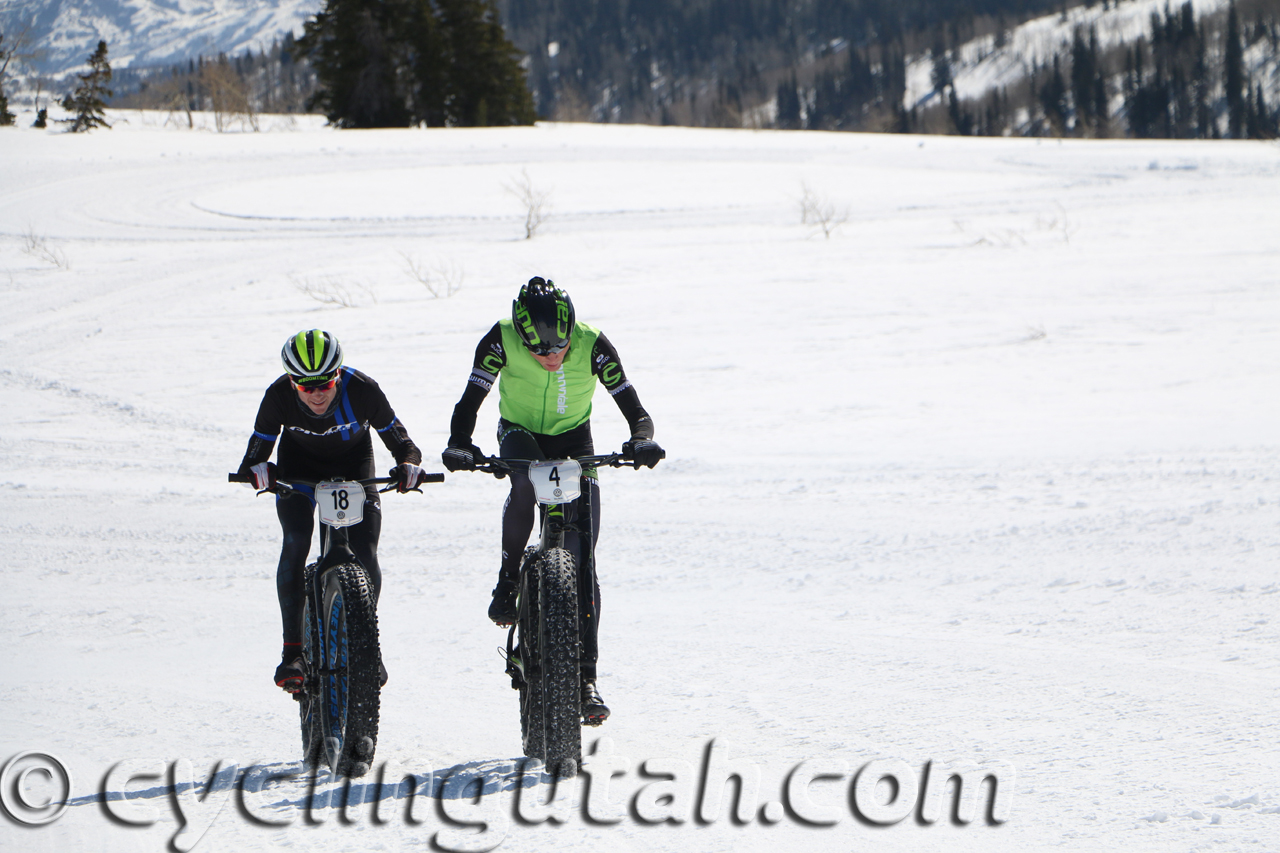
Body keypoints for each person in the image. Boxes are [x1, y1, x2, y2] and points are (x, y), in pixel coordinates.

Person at [441, 277, 663, 724]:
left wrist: (641, 440)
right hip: (518, 434)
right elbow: (470, 400)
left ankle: (585, 678)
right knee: (523, 481)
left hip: (575, 440)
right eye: (539, 352)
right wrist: (459, 443)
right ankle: (507, 580)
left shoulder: (593, 343)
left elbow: (634, 408)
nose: (550, 358)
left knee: (584, 563)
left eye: (558, 351)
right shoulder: (500, 339)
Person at [236, 329, 426, 693]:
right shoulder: (277, 396)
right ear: (293, 383)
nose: (318, 393)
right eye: (306, 387)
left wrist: (408, 466)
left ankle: (367, 646)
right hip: (299, 470)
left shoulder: (363, 389)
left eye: (325, 382)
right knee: (295, 541)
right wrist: (258, 471)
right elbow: (256, 452)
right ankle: (292, 652)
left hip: (355, 465)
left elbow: (403, 443)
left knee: (366, 550)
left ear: (339, 374)